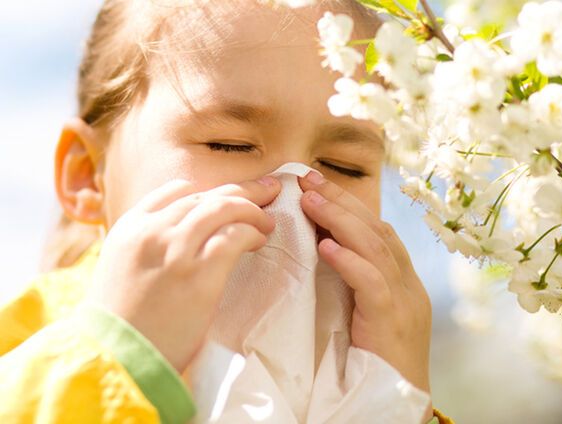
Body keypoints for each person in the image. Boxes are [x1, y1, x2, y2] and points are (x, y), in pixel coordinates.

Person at [0, 0, 453, 422]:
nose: (290, 196)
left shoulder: (368, 367)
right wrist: (121, 360)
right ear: (87, 175)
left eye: (344, 168)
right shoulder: (25, 356)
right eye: (228, 144)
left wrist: (399, 398)